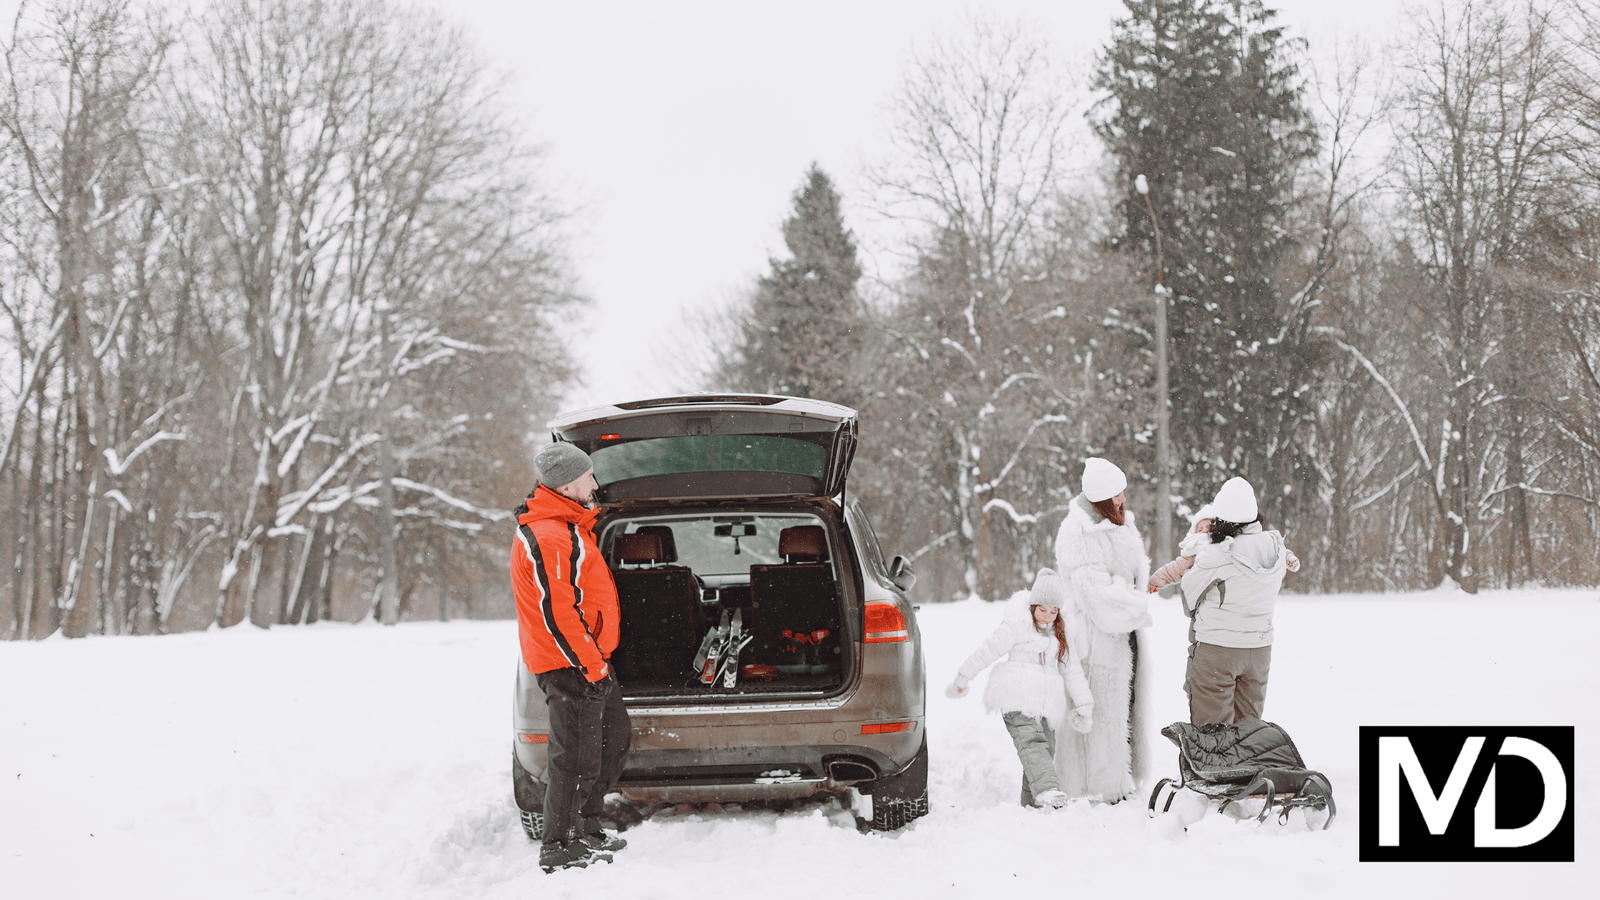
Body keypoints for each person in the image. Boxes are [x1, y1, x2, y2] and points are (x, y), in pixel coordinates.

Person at [511, 442, 631, 873]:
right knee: (574, 757)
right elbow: (556, 612)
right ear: (567, 483)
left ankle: (585, 825)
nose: (595, 483)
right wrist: (590, 664)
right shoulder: (547, 535)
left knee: (612, 741)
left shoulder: (569, 527)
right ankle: (559, 845)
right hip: (571, 663)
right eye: (589, 476)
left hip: (588, 658)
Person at [944, 569, 1094, 809]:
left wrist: (1084, 706)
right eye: (1042, 610)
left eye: (1053, 611)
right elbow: (988, 650)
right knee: (1032, 744)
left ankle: (1032, 805)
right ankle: (1047, 790)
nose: (1047, 616)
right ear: (1033, 606)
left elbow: (1072, 671)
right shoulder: (1017, 624)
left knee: (1046, 749)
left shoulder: (1062, 635)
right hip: (1016, 697)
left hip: (1046, 701)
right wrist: (963, 677)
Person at [1052, 457, 1155, 803]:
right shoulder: (1077, 534)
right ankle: (1104, 787)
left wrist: (1126, 594)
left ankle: (1118, 780)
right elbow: (1100, 602)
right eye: (1118, 493)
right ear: (1101, 498)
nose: (1124, 498)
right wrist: (1134, 605)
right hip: (1096, 643)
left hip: (1125, 638)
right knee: (1100, 716)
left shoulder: (1120, 522)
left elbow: (1127, 584)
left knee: (1122, 710)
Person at [1177, 476, 1297, 725]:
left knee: (1213, 735)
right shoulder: (1276, 548)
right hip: (1260, 651)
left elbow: (1188, 600)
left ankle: (1216, 766)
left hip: (1218, 651)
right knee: (1247, 732)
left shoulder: (1215, 553)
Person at [1148, 504, 1299, 596]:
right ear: (1193, 533)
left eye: (1209, 527)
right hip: (1203, 593)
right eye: (1200, 528)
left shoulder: (1227, 544)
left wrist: (1287, 557)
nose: (1205, 532)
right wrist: (1157, 580)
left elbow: (1268, 548)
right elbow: (1175, 569)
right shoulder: (1194, 551)